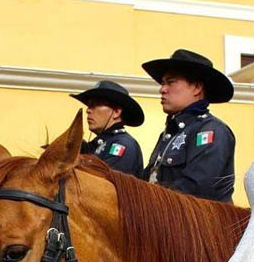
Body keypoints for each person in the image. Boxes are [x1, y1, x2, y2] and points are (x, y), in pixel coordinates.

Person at [141, 49, 236, 203]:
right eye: (163, 83)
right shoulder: (171, 132)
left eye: (171, 82)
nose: (162, 89)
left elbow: (197, 189)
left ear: (197, 88)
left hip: (203, 225)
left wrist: (147, 198)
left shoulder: (210, 131)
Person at [70, 80, 144, 177]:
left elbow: (104, 185)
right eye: (89, 105)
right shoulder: (97, 144)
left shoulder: (123, 144)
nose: (88, 110)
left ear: (117, 112)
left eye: (96, 104)